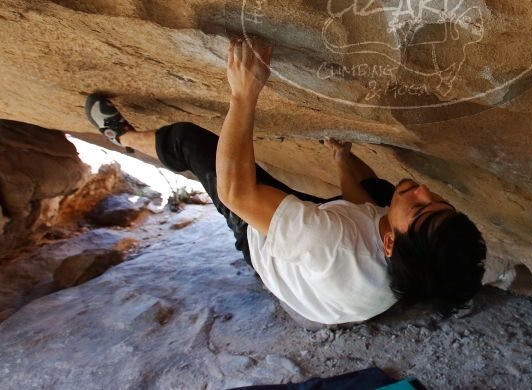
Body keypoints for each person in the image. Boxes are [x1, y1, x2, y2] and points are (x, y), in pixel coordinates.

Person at [84, 36, 487, 325]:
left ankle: (121, 137)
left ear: (388, 243)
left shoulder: (327, 241)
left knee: (190, 141)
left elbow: (236, 193)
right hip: (338, 298)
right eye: (438, 201)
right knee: (384, 191)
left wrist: (244, 94)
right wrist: (342, 161)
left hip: (270, 254)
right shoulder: (407, 263)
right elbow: (365, 208)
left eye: (419, 206)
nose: (422, 189)